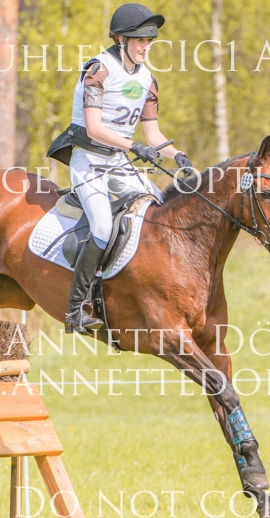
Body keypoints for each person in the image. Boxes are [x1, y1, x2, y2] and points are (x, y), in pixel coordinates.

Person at [47, 3, 193, 334]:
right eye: (140, 40)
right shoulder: (98, 70)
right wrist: (133, 146)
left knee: (158, 212)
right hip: (89, 159)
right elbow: (94, 128)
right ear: (121, 39)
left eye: (149, 41)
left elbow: (153, 136)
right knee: (101, 227)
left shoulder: (147, 80)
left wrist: (178, 155)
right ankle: (75, 310)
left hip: (119, 161)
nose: (145, 47)